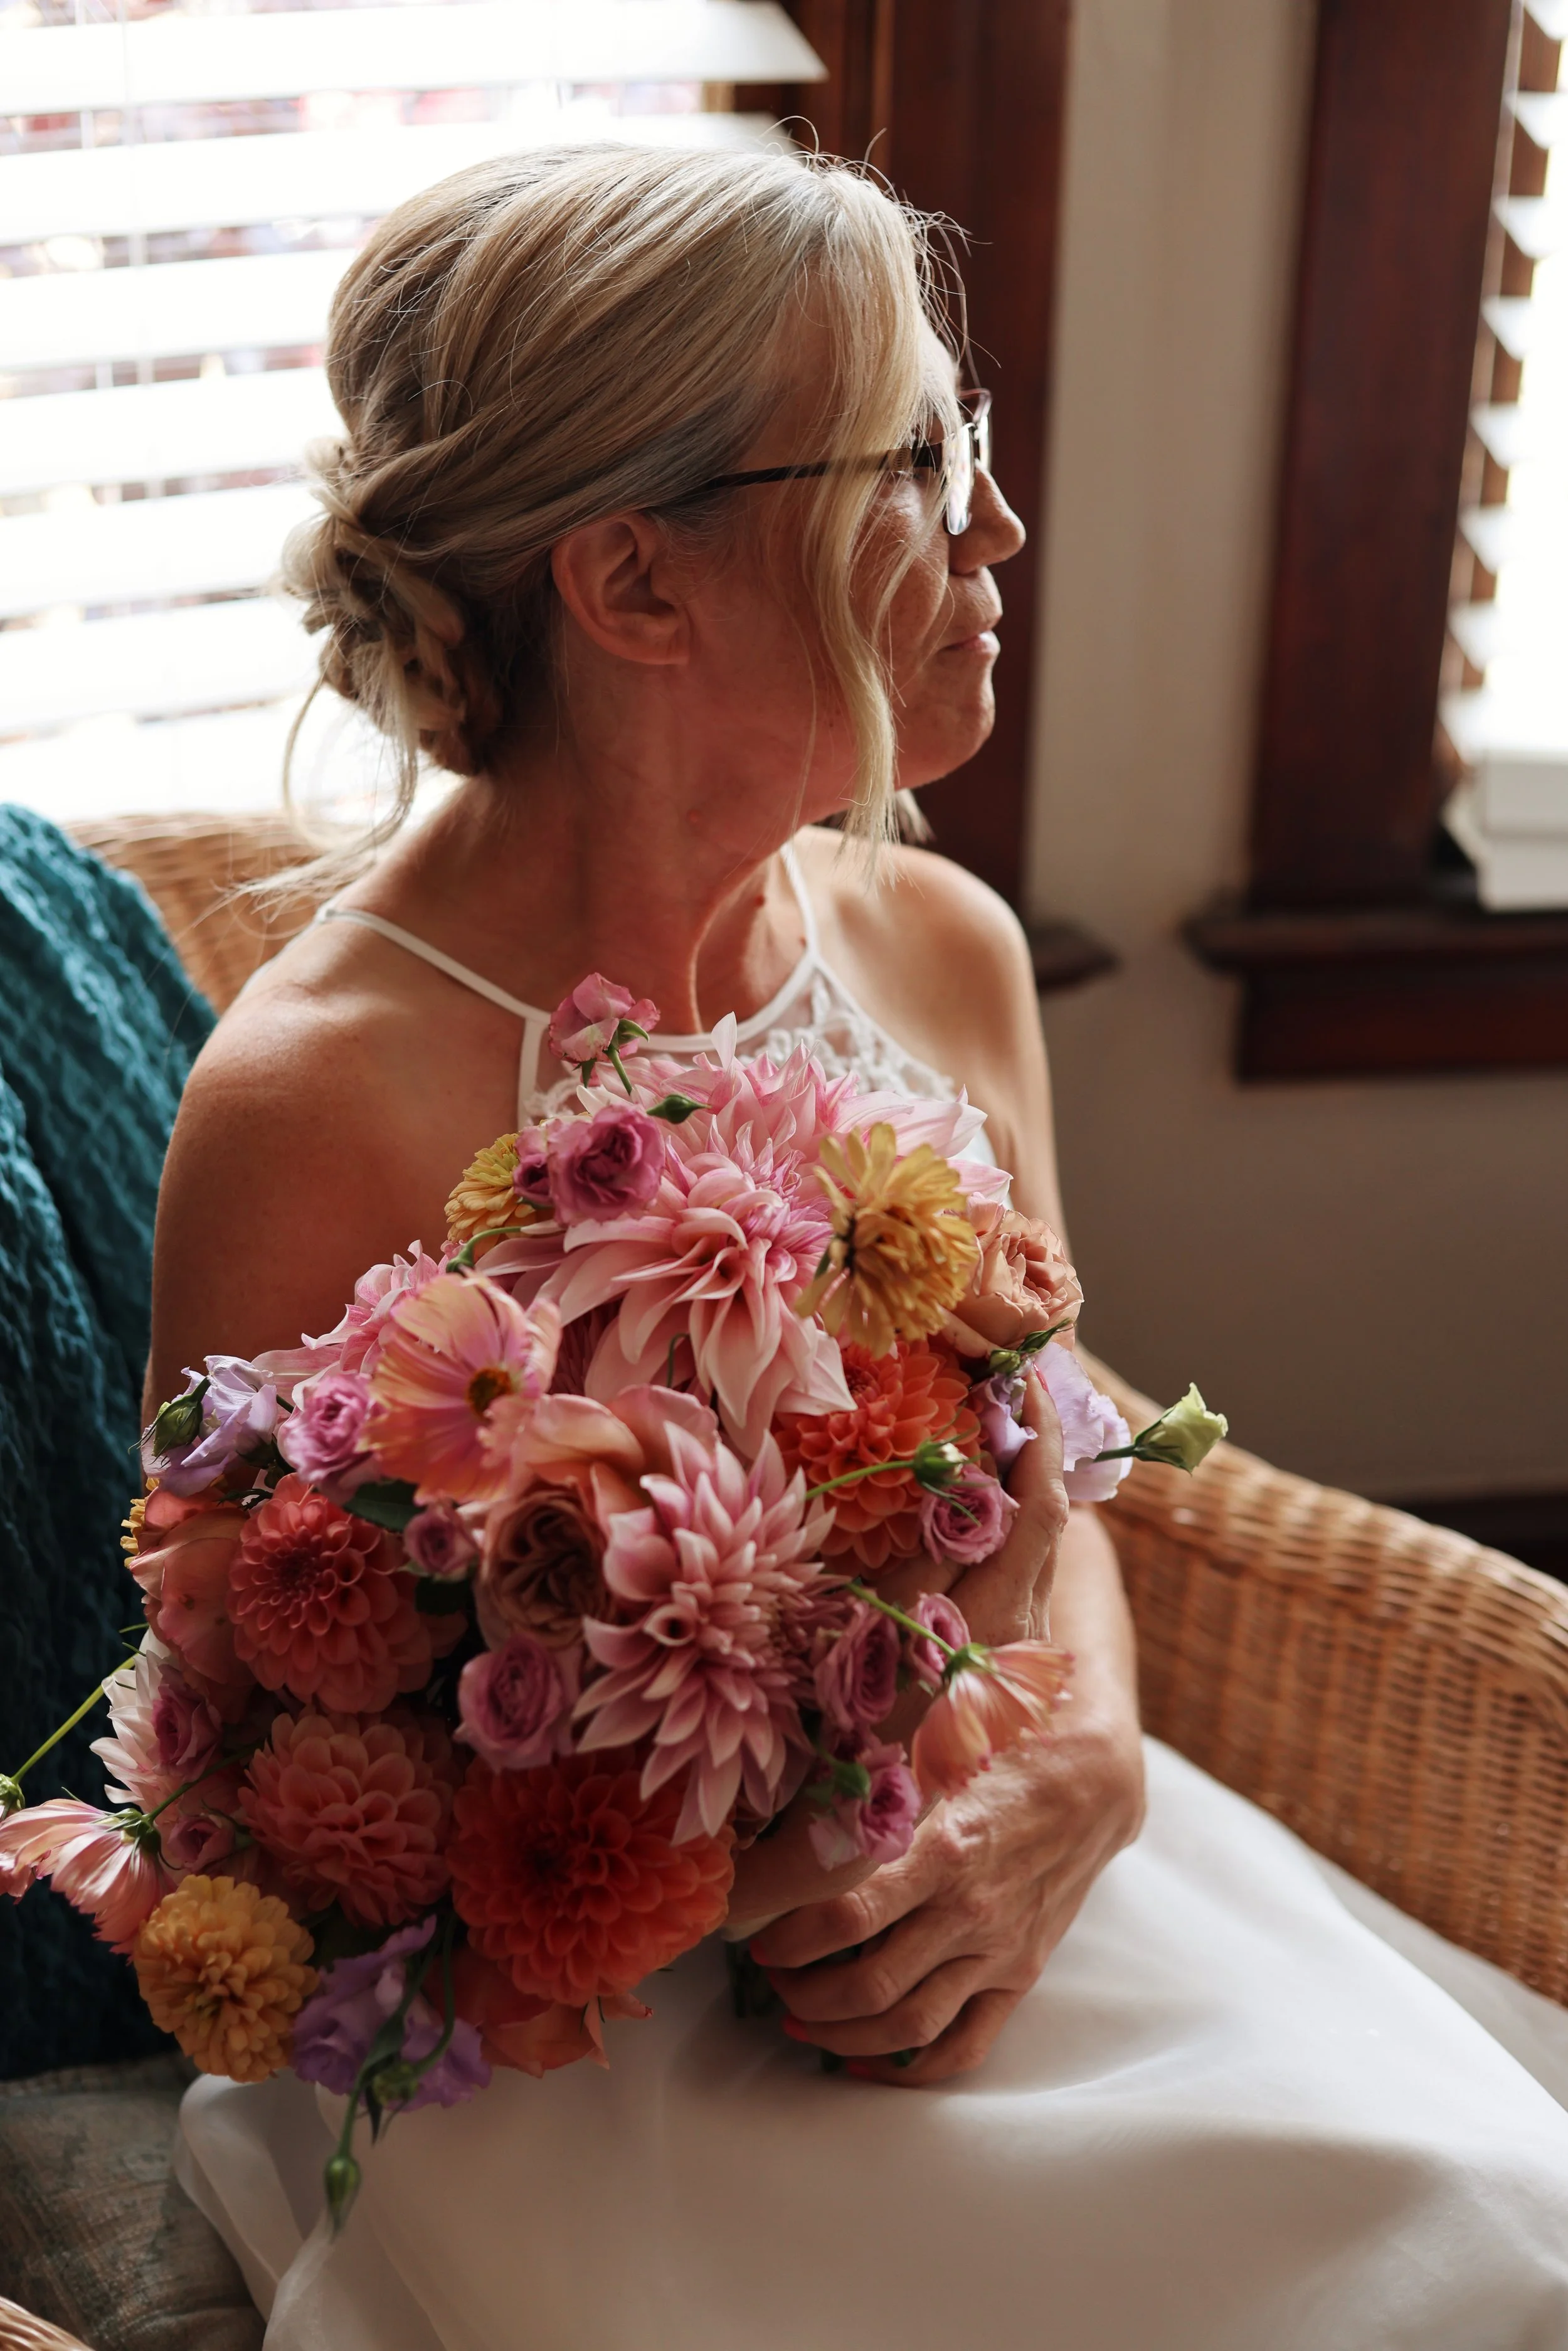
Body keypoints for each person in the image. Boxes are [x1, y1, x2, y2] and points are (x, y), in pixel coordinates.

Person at [154, 146, 1568, 2350]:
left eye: (967, 443)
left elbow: (1060, 1468)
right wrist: (735, 1862)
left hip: (1023, 1865)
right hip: (584, 2061)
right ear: (634, 580)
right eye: (917, 461)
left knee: (1476, 2224)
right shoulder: (321, 1099)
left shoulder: (940, 949)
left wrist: (1079, 1773)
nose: (997, 525)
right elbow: (275, 1813)